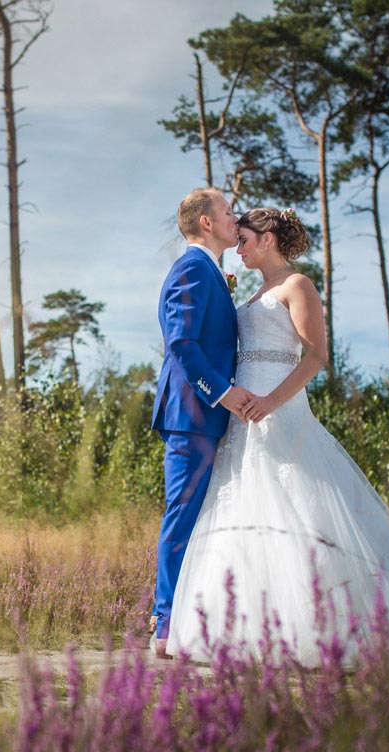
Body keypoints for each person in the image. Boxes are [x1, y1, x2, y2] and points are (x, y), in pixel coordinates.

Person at [165, 207, 389, 665]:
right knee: (244, 511)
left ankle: (320, 626)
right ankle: (247, 627)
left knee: (301, 514)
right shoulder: (255, 293)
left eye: (246, 238)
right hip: (243, 420)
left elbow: (316, 357)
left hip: (279, 411)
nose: (239, 245)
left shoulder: (298, 285)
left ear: (268, 238)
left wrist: (270, 402)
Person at [149, 188, 255, 659]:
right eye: (230, 212)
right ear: (207, 223)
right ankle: (165, 621)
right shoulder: (192, 267)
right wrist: (225, 393)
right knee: (183, 514)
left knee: (203, 517)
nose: (237, 218)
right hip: (192, 413)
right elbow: (182, 344)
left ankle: (194, 617)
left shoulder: (212, 272)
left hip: (207, 418)